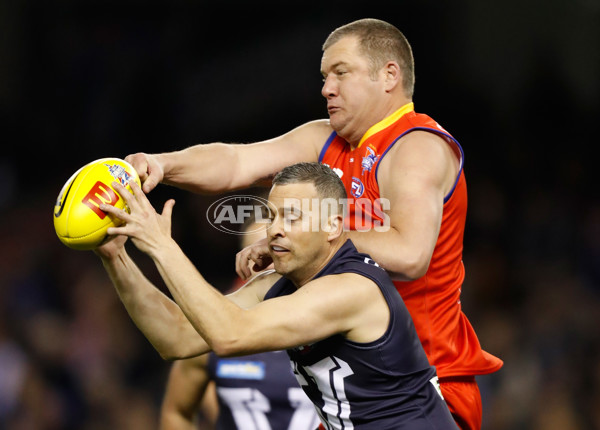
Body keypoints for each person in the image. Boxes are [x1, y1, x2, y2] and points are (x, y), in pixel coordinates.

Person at [124, 18, 502, 429]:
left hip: (421, 386)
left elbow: (411, 254)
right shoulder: (324, 140)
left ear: (389, 75)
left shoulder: (416, 146)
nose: (326, 88)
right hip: (347, 389)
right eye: (324, 77)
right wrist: (162, 164)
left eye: (341, 73)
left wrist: (297, 240)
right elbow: (236, 162)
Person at [94, 162, 458, 429]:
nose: (275, 229)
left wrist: (160, 245)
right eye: (272, 216)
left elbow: (229, 334)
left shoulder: (352, 288)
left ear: (332, 225)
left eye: (293, 217)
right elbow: (175, 337)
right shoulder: (278, 283)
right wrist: (117, 258)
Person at [160, 214, 320, 430]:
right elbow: (177, 412)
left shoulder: (334, 320)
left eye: (274, 254)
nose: (264, 269)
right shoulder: (214, 329)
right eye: (253, 257)